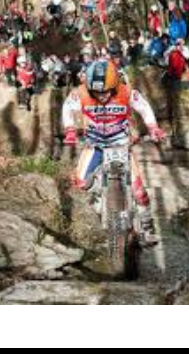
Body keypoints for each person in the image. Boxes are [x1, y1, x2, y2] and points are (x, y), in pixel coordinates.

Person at [61, 59, 167, 243]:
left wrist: (153, 127)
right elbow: (67, 107)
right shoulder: (81, 93)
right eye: (96, 92)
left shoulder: (126, 92)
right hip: (94, 145)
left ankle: (147, 227)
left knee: (139, 191)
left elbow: (144, 107)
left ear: (115, 85)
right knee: (80, 183)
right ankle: (96, 201)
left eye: (105, 91)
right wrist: (70, 129)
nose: (101, 95)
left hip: (121, 145)